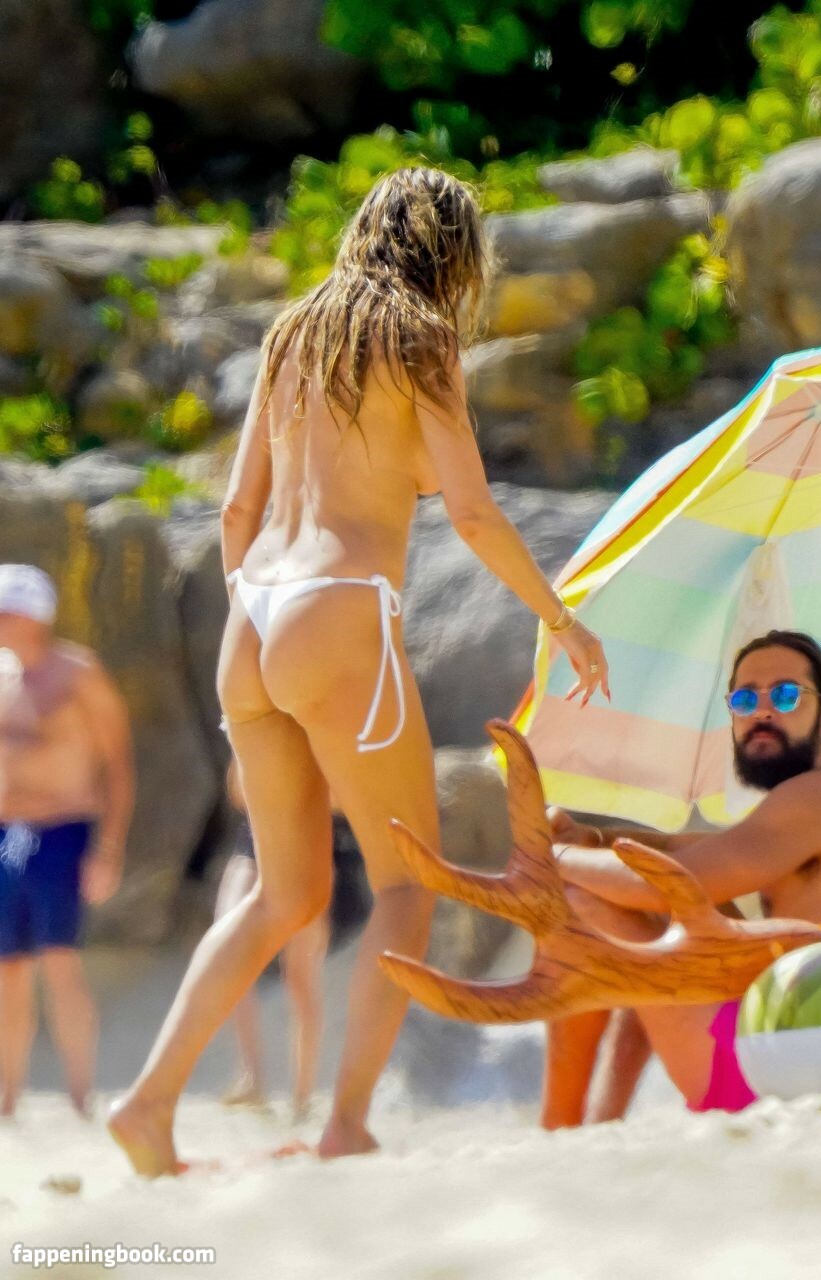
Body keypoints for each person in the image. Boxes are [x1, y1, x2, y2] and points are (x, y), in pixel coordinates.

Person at [109, 166, 610, 1173]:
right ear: (453, 255)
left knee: (280, 893)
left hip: (252, 616)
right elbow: (471, 511)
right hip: (340, 608)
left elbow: (237, 509)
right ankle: (345, 1123)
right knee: (406, 883)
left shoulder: (292, 332)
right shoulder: (422, 339)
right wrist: (559, 617)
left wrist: (262, 614)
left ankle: (149, 1103)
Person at [548, 630, 821, 1115]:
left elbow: (661, 882)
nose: (763, 711)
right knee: (683, 932)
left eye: (785, 694)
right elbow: (689, 851)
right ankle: (603, 1119)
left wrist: (551, 858)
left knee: (580, 902)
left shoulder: (820, 796)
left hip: (796, 1063)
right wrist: (590, 839)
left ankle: (559, 1122)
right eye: (744, 699)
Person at [0, 564, 134, 1116]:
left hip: (63, 830)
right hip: (8, 835)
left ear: (33, 616)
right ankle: (8, 1098)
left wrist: (109, 850)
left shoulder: (79, 673)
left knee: (59, 962)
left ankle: (81, 1095)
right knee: (8, 969)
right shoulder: (2, 674)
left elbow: (118, 763)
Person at [216, 757, 328, 1116]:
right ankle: (250, 1077)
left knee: (300, 975)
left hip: (308, 849)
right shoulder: (256, 728)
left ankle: (302, 1095)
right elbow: (237, 793)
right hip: (255, 844)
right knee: (230, 955)